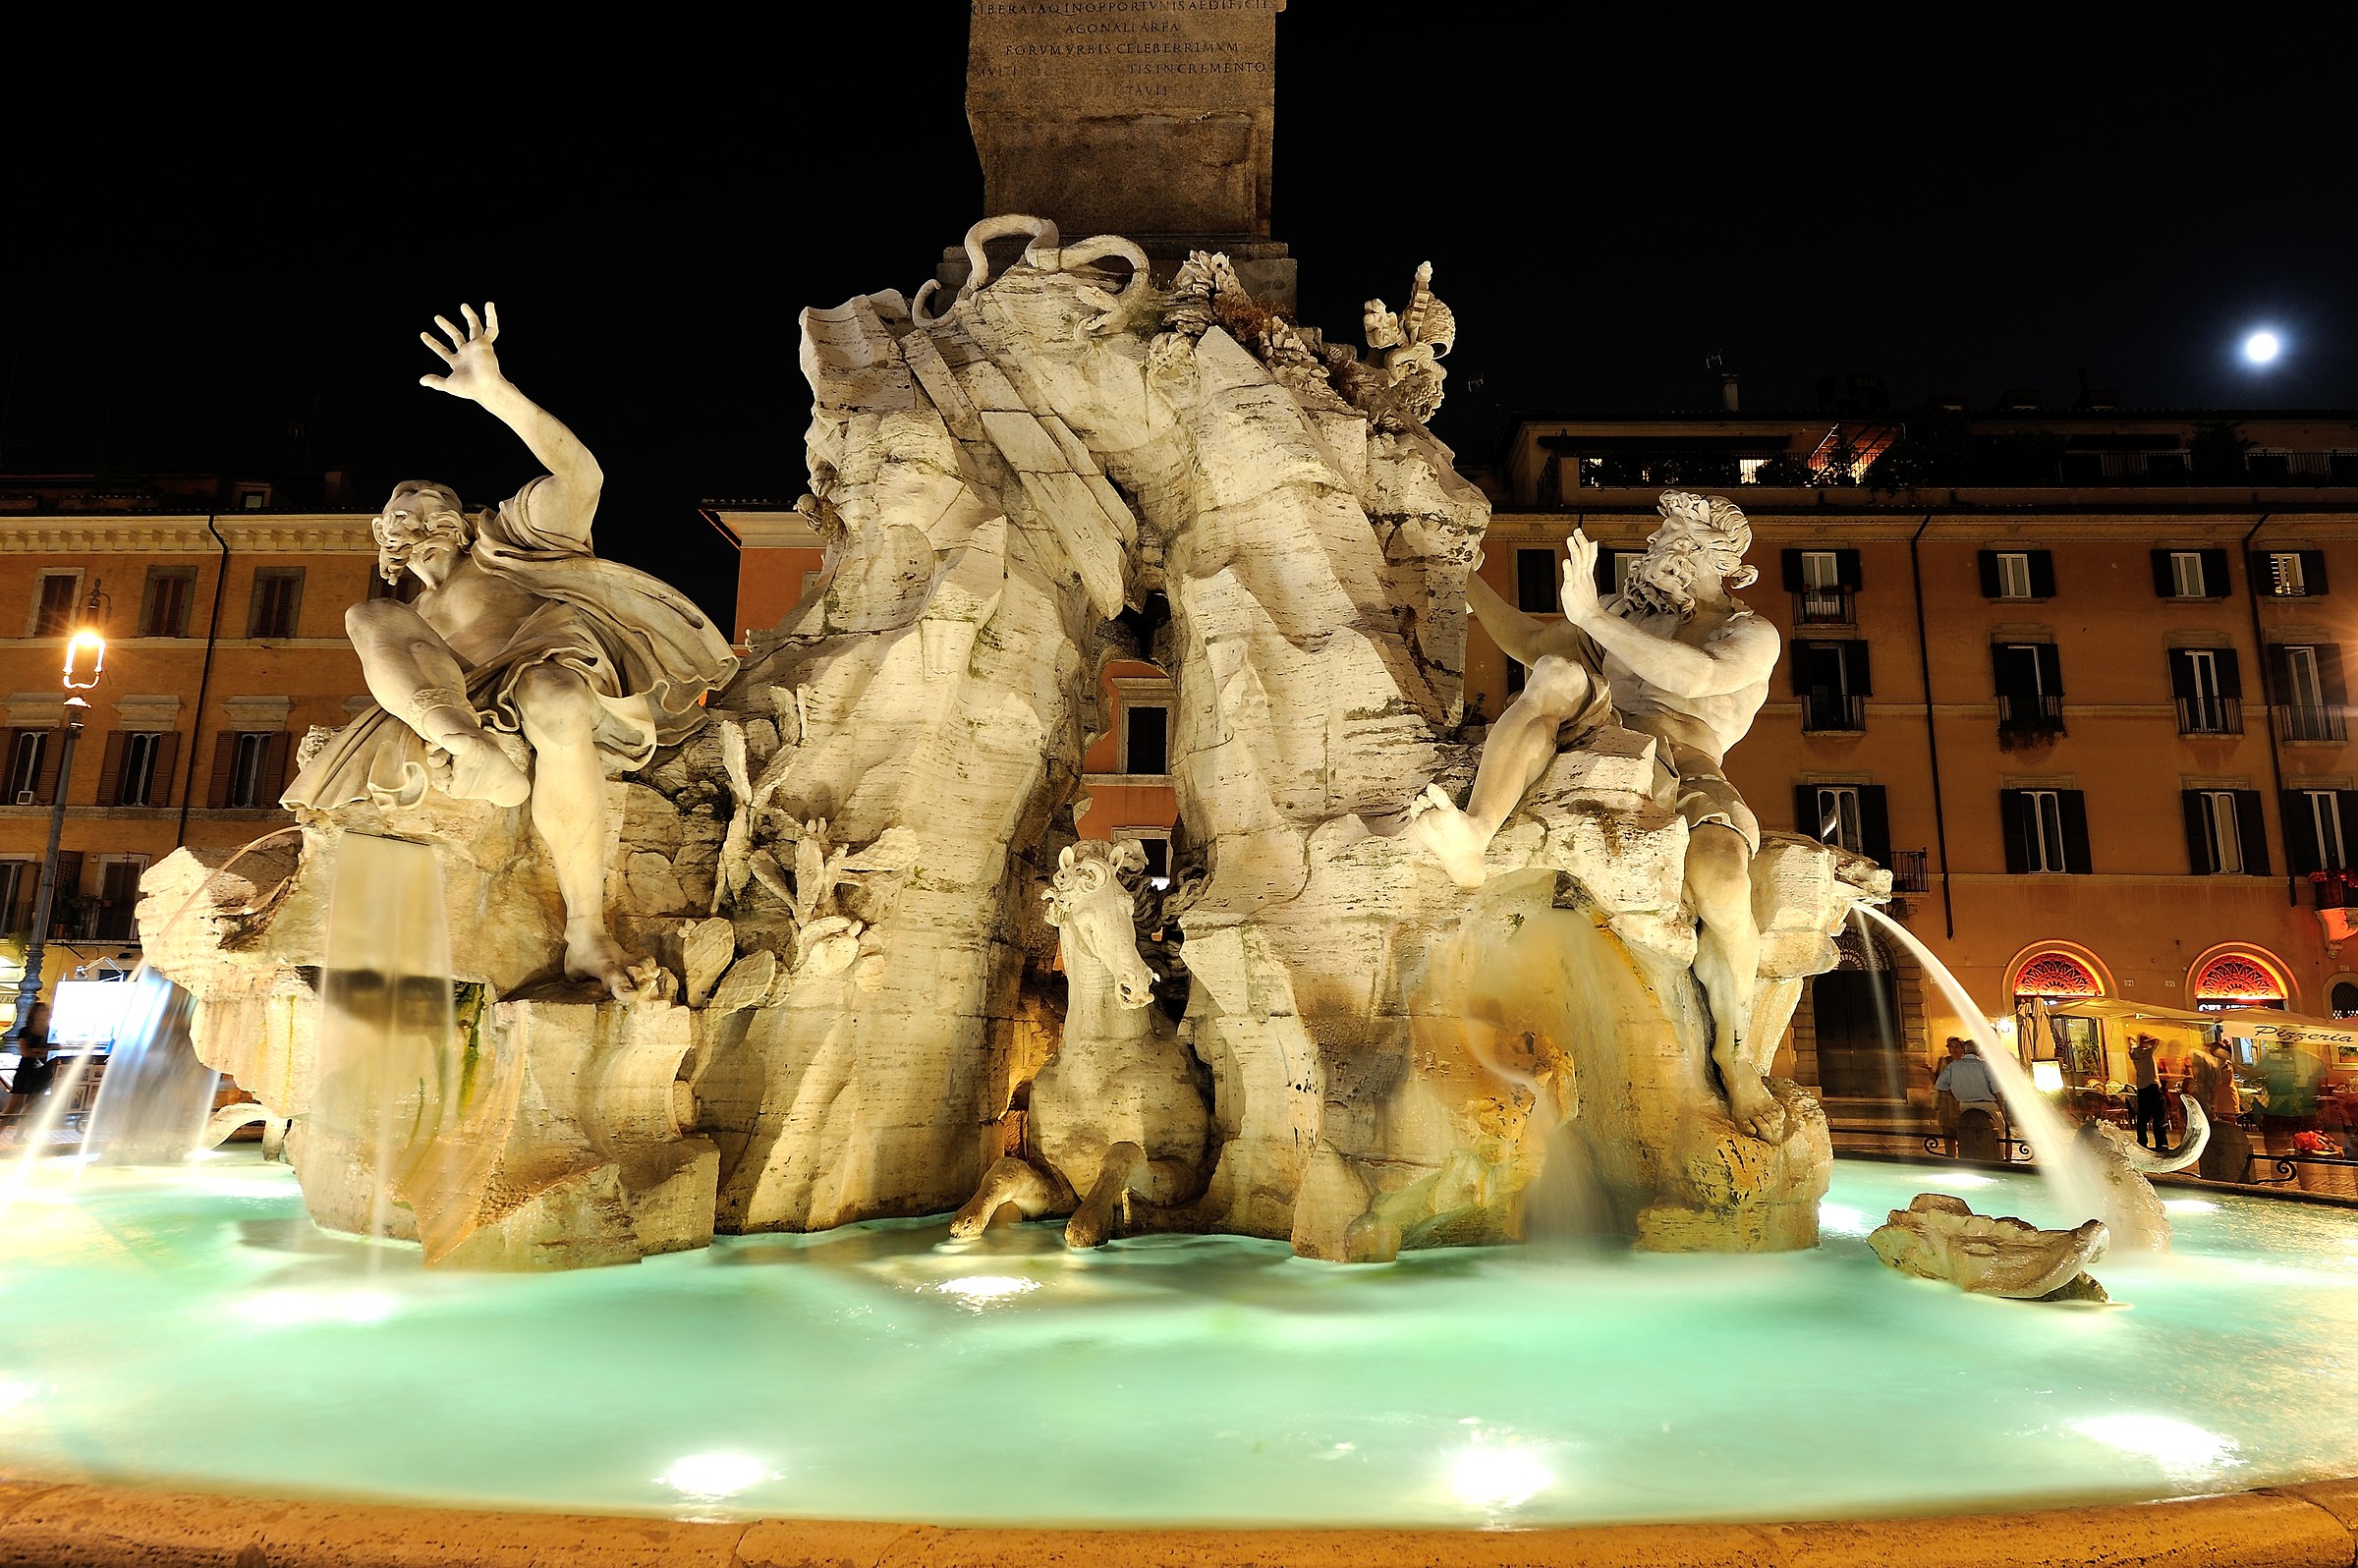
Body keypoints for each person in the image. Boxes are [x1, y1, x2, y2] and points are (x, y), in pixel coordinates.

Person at [281, 305, 738, 999]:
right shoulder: (401, 621)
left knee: (553, 697)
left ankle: (586, 930)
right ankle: (473, 749)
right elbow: (390, 644)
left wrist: (495, 393)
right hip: (467, 713)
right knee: (364, 613)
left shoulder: (508, 546)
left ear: (463, 527)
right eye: (405, 512)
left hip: (567, 675)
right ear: (383, 533)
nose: (424, 519)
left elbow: (581, 479)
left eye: (440, 509)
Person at [1408, 493, 1782, 1139]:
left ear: (1719, 559)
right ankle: (1473, 832)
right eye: (1659, 538)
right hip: (1609, 738)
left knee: (1722, 875)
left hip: (1692, 770)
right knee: (1554, 671)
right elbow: (1527, 641)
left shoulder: (1747, 633)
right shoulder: (1618, 614)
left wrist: (1594, 618)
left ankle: (1737, 1051)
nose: (1656, 551)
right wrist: (1457, 572)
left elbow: (1693, 678)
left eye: (1675, 541)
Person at [1934, 1038, 2003, 1151]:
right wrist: (2001, 1105)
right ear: (1978, 1052)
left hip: (1964, 1106)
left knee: (1966, 1134)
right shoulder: (1985, 1065)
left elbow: (1940, 1085)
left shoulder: (1953, 1066)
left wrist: (1955, 1092)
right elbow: (1996, 1089)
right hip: (1986, 1105)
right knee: (1999, 1133)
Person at [2, 1001, 56, 1126]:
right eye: (42, 1012)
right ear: (35, 1014)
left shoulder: (50, 1031)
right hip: (26, 1070)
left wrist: (37, 1051)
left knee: (32, 1104)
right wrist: (43, 1052)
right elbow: (25, 1052)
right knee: (14, 1104)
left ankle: (20, 1135)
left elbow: (55, 1049)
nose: (45, 1014)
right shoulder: (25, 1031)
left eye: (46, 1012)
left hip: (44, 1071)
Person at [2128, 1033, 2168, 1153]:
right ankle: (2161, 1143)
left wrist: (2133, 1041)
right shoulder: (2147, 1052)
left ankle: (2142, 1141)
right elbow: (2160, 1040)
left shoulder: (2134, 1053)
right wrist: (2150, 1039)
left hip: (2142, 1088)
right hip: (2153, 1087)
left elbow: (2130, 1045)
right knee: (2159, 1116)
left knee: (2143, 1117)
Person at [1934, 1037, 1969, 1155]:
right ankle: (1951, 1160)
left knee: (1963, 1134)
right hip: (1946, 1103)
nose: (1953, 1049)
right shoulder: (1945, 1061)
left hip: (1961, 1102)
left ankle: (1965, 1159)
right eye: (1950, 1046)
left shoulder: (1967, 1062)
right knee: (1948, 1134)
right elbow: (1937, 1081)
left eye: (1956, 1046)